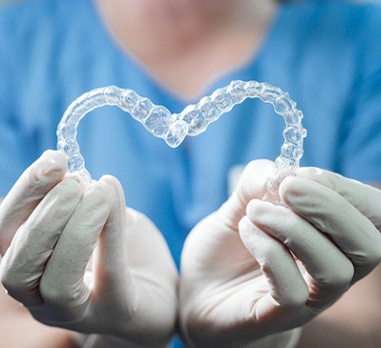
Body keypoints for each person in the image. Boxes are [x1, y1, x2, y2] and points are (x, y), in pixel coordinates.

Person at [0, 0, 380, 346]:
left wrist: (277, 331)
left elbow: (371, 311)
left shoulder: (366, 41)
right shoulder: (14, 48)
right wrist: (96, 334)